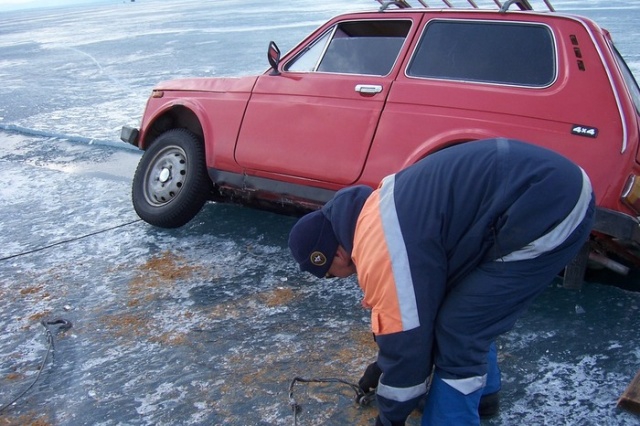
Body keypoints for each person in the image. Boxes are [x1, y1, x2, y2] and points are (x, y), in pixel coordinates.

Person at [288, 138, 595, 426]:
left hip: (547, 207)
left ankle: (454, 413)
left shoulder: (378, 249)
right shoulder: (377, 210)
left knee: (461, 329)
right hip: (546, 187)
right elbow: (418, 312)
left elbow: (408, 344)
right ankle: (483, 395)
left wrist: (389, 418)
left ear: (335, 254)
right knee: (463, 306)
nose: (337, 279)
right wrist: (382, 366)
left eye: (329, 274)